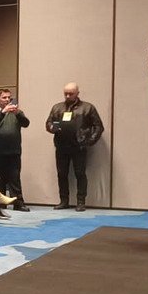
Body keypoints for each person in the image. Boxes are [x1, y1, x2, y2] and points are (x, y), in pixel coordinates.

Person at [46, 82, 104, 211]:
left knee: (80, 173)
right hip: (61, 146)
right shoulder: (57, 107)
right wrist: (51, 127)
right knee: (62, 174)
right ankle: (64, 201)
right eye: (65, 93)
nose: (68, 96)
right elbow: (49, 122)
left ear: (77, 93)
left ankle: (81, 202)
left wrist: (89, 141)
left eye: (71, 94)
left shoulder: (88, 108)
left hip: (79, 146)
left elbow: (98, 126)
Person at [0, 89, 30, 211]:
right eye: (4, 97)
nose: (7, 100)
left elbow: (26, 123)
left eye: (9, 98)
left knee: (15, 178)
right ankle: (1, 203)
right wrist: (3, 113)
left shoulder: (17, 113)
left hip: (14, 151)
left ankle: (18, 203)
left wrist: (18, 113)